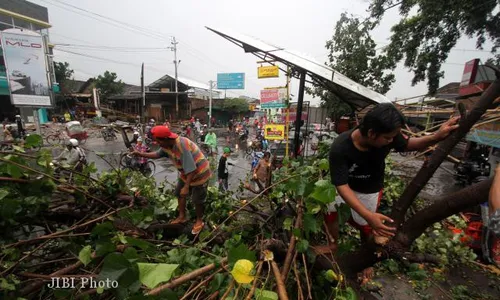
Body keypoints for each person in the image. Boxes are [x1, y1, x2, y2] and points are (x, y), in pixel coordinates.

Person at [327, 103, 459, 279]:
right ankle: (333, 244)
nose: (391, 141)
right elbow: (341, 186)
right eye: (388, 138)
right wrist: (367, 214)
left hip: (370, 189)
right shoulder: (340, 148)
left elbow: (408, 144)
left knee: (368, 227)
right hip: (346, 188)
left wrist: (436, 137)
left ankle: (366, 259)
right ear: (372, 133)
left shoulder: (387, 136)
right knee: (330, 211)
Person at [132, 126, 211, 234]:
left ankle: (199, 220)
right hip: (186, 173)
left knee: (197, 200)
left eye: (158, 141)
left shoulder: (181, 146)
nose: (158, 144)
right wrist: (140, 154)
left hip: (200, 173)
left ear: (165, 139)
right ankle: (182, 216)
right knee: (179, 193)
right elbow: (157, 154)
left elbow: (192, 169)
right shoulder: (166, 145)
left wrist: (187, 187)